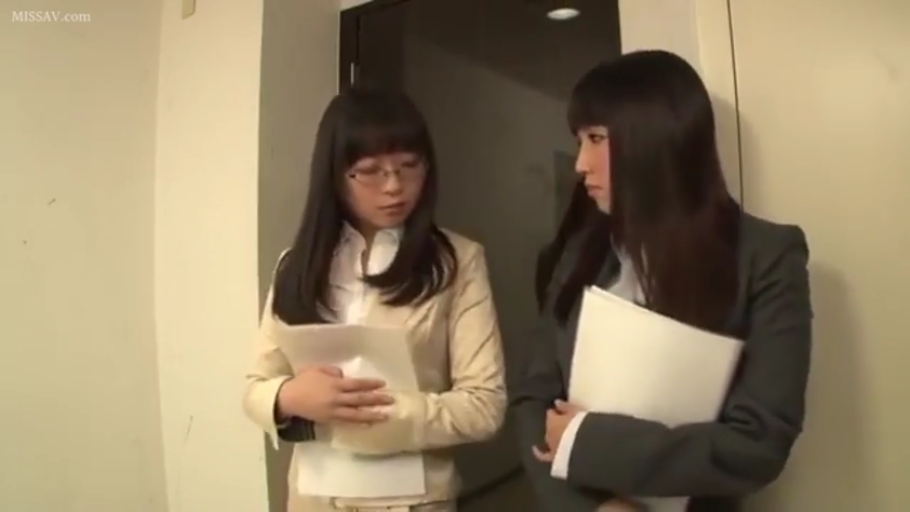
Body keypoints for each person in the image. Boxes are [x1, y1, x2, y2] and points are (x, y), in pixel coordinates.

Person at [511, 50, 813, 512]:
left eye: (596, 138)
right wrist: (597, 508)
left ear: (655, 140)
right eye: (579, 141)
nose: (580, 164)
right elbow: (534, 396)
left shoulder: (766, 257)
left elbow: (759, 442)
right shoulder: (579, 253)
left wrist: (586, 440)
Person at [242, 86, 507, 512]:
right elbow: (257, 385)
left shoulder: (459, 261)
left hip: (412, 502)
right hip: (311, 498)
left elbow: (484, 406)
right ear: (334, 175)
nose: (394, 186)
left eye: (409, 166)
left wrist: (373, 413)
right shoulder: (296, 265)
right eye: (369, 171)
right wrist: (289, 397)